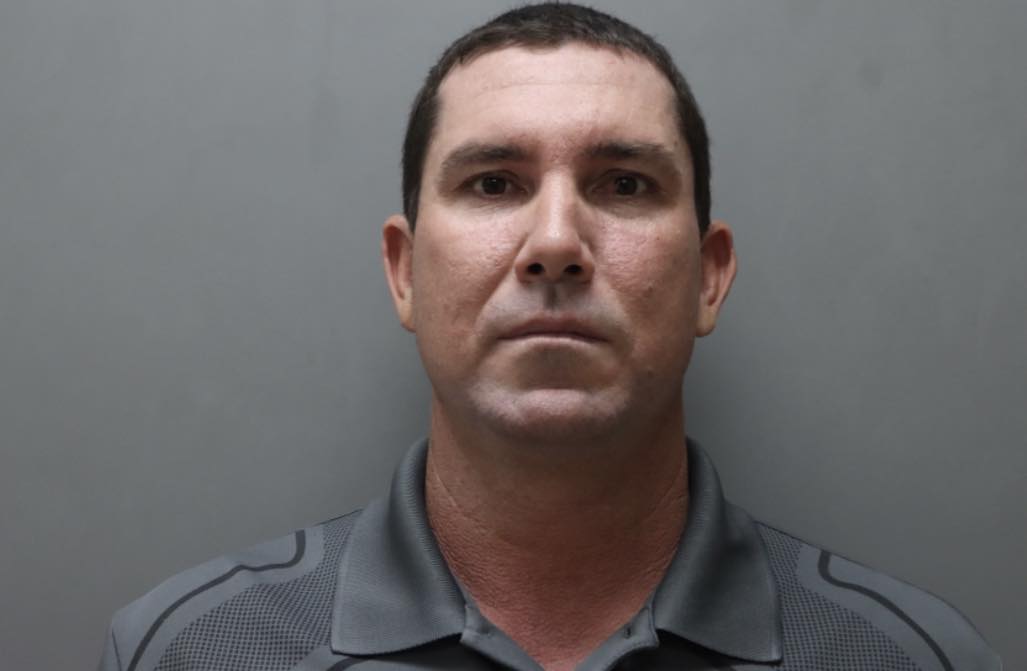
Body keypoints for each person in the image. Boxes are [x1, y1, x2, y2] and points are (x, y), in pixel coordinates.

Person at [98, 4, 1001, 670]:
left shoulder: (913, 656)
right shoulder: (188, 650)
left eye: (624, 184)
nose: (557, 243)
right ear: (405, 273)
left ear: (708, 276)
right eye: (493, 183)